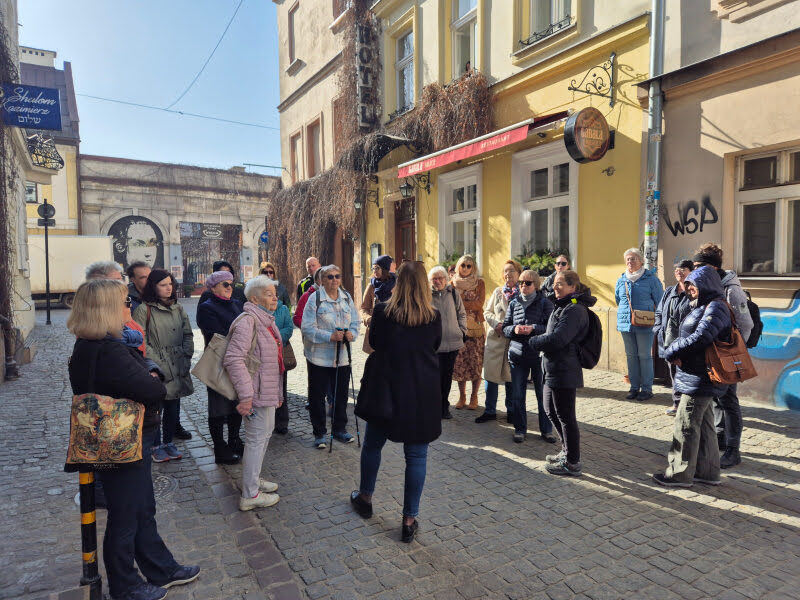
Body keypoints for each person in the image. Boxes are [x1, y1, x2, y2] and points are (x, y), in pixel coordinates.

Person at [68, 279, 199, 600]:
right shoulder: (108, 348)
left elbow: (145, 370)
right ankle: (125, 585)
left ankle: (160, 568)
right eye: (124, 301)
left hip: (122, 438)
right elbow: (154, 389)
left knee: (141, 508)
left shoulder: (93, 343)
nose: (129, 306)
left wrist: (149, 371)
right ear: (106, 309)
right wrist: (152, 374)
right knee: (127, 513)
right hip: (123, 440)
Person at [349, 261, 442, 543]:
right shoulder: (433, 316)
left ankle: (365, 497)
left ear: (398, 282)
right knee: (416, 456)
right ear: (425, 284)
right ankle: (409, 518)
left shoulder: (383, 311)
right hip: (420, 389)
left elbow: (375, 342)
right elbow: (435, 346)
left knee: (373, 445)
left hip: (386, 387)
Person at [653, 266, 731, 487]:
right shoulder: (705, 305)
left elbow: (701, 337)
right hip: (695, 374)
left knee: (686, 424)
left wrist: (673, 351)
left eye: (694, 285)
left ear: (706, 284)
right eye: (688, 285)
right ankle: (708, 472)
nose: (690, 289)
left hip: (700, 376)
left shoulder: (715, 307)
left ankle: (679, 474)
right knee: (704, 426)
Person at [224, 276, 285, 511]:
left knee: (262, 439)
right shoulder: (248, 321)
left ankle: (253, 479)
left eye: (274, 293)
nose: (274, 297)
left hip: (265, 391)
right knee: (256, 441)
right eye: (269, 293)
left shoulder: (264, 320)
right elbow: (233, 359)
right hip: (256, 394)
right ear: (254, 298)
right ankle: (250, 494)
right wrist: (246, 396)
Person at [692, 242, 753, 469]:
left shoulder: (731, 289)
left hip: (728, 354)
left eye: (700, 266)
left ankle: (733, 450)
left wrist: (734, 351)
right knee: (718, 398)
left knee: (728, 401)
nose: (695, 270)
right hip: (714, 353)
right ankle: (719, 438)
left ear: (713, 268)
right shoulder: (711, 285)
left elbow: (746, 323)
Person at [529, 271, 596, 476]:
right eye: (554, 284)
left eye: (560, 284)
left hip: (565, 369)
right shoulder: (563, 305)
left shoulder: (574, 309)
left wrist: (533, 340)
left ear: (572, 287)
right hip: (553, 367)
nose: (555, 287)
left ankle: (573, 461)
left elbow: (559, 339)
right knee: (550, 410)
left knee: (566, 416)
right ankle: (566, 451)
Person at [133, 270, 194, 463]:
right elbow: (140, 338)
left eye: (170, 284)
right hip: (157, 365)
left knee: (173, 406)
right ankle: (155, 445)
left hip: (177, 362)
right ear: (153, 287)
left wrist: (186, 355)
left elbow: (188, 334)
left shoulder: (178, 308)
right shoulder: (144, 309)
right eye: (163, 285)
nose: (169, 288)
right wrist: (157, 363)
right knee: (156, 408)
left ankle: (168, 442)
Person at [300, 264, 360, 449]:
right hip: (319, 357)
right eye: (330, 277)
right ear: (322, 280)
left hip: (342, 357)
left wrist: (352, 334)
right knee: (317, 396)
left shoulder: (346, 297)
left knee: (341, 395)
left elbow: (356, 322)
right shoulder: (315, 298)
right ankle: (319, 433)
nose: (334, 280)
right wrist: (329, 336)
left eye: (337, 276)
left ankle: (339, 429)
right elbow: (307, 328)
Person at [196, 270, 245, 464]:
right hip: (218, 361)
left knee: (236, 401)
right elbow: (219, 333)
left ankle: (234, 439)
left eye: (231, 284)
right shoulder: (207, 307)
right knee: (218, 407)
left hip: (238, 361)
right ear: (214, 287)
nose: (229, 288)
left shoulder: (237, 304)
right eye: (225, 284)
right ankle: (219, 447)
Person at [502, 269, 555, 443]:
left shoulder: (544, 303)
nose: (523, 286)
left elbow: (549, 327)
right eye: (521, 283)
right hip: (517, 353)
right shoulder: (513, 302)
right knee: (518, 394)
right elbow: (506, 327)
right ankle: (520, 429)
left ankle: (546, 430)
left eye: (527, 283)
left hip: (538, 354)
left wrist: (533, 328)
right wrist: (514, 329)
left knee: (543, 395)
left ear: (536, 285)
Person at [614, 248, 664, 401]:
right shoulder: (621, 280)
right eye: (628, 259)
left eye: (633, 258)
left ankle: (647, 389)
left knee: (644, 356)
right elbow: (618, 300)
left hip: (645, 323)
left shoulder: (651, 279)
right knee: (631, 356)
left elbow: (660, 302)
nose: (630, 262)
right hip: (625, 323)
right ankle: (634, 387)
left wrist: (657, 321)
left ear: (641, 261)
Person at [477, 259, 521, 424]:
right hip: (495, 339)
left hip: (513, 341)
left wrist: (512, 327)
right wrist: (497, 324)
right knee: (491, 376)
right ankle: (489, 411)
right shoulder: (497, 292)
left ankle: (511, 411)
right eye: (505, 271)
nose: (508, 274)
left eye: (511, 271)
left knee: (510, 379)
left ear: (518, 273)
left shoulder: (523, 293)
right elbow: (487, 313)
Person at [654, 260, 694, 416]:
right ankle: (677, 404)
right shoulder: (669, 291)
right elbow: (659, 312)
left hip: (685, 342)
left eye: (683, 269)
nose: (679, 271)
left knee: (686, 373)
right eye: (677, 269)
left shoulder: (693, 291)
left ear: (691, 272)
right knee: (673, 374)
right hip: (668, 341)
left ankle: (688, 405)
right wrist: (658, 329)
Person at [429, 265, 467, 419]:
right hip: (434, 345)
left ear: (446, 279)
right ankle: (434, 407)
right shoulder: (426, 295)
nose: (437, 281)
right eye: (434, 279)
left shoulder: (453, 293)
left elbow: (461, 313)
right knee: (434, 377)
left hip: (452, 342)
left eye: (440, 278)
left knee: (447, 377)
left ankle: (444, 407)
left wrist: (462, 331)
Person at [451, 255, 486, 410]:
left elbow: (479, 304)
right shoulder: (452, 283)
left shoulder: (480, 283)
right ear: (458, 266)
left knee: (475, 363)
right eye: (463, 265)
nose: (465, 268)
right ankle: (462, 395)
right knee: (460, 364)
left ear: (473, 268)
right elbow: (451, 304)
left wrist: (461, 304)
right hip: (458, 328)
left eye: (469, 266)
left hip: (476, 329)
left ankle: (474, 396)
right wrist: (466, 305)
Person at [360, 254, 396, 354]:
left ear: (385, 268)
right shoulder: (371, 286)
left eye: (377, 268)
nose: (374, 270)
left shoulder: (398, 284)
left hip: (394, 331)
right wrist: (368, 318)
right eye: (373, 268)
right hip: (376, 330)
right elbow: (363, 308)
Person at [271, 284, 294, 435]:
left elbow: (289, 327)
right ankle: (268, 421)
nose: (273, 297)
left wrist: (276, 340)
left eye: (274, 293)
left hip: (280, 352)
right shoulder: (257, 310)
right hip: (263, 357)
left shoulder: (283, 309)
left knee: (281, 388)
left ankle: (281, 422)